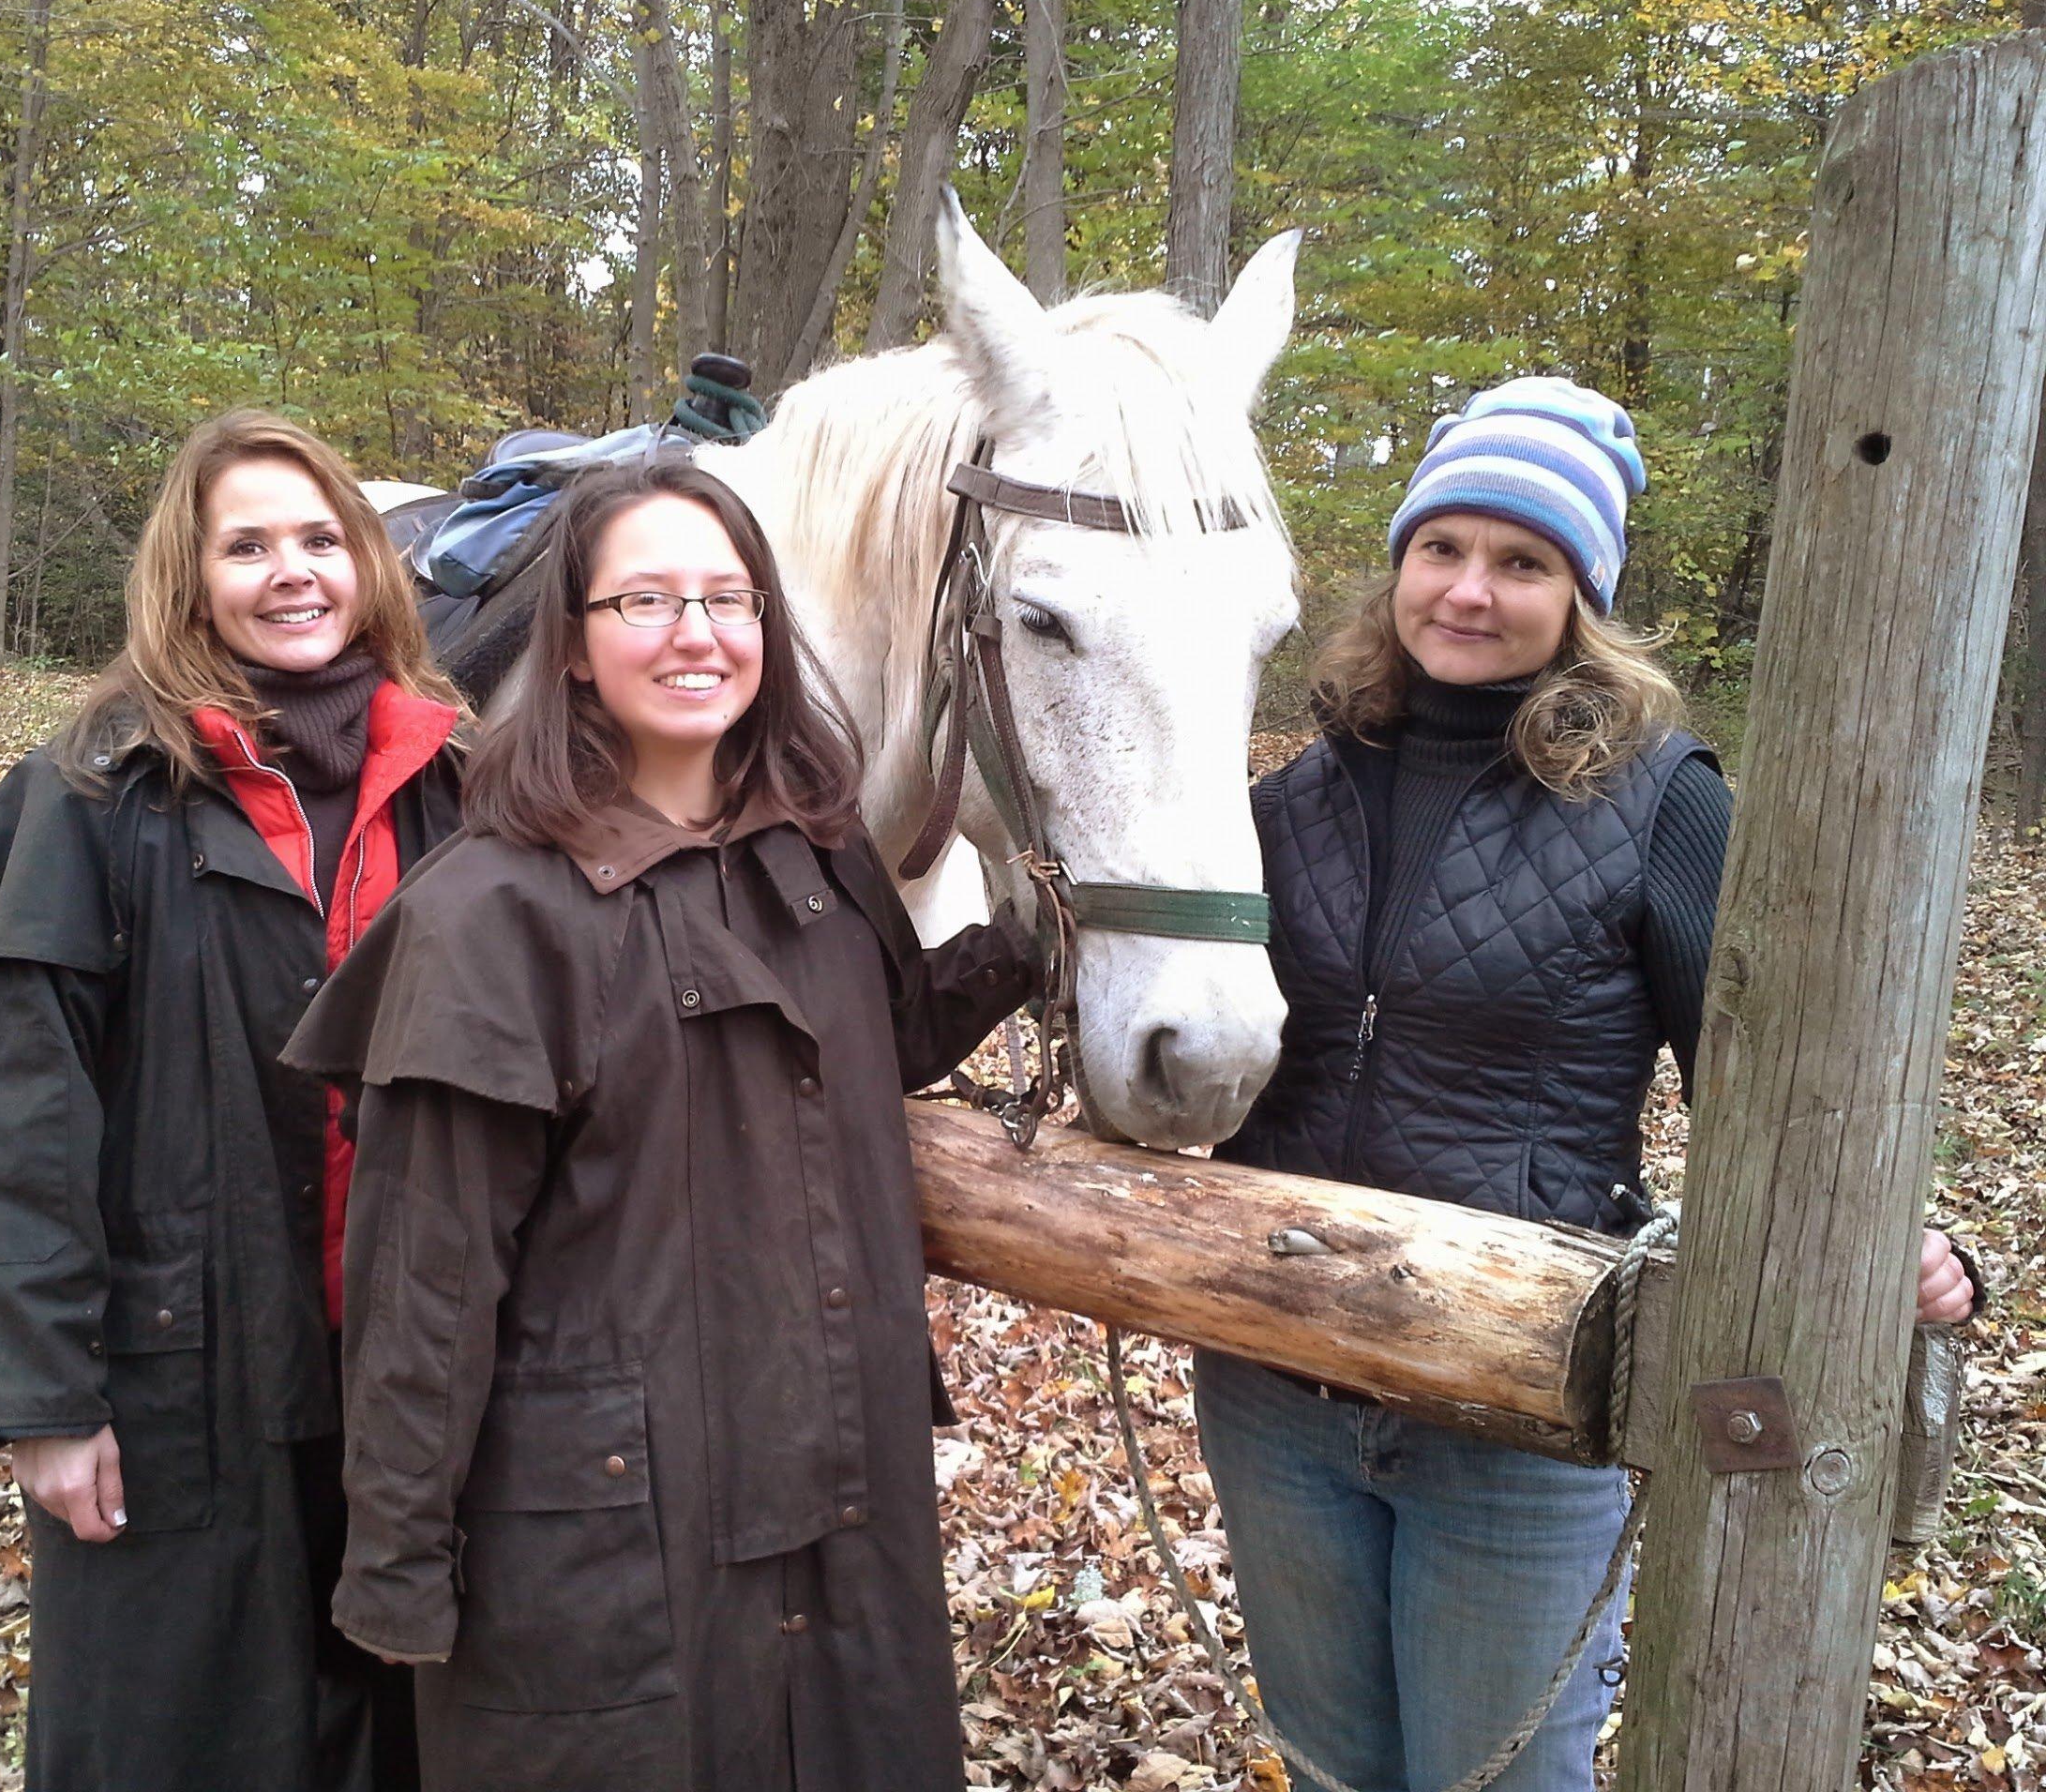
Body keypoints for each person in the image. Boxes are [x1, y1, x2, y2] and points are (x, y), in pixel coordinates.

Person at [1193, 377, 1980, 1792]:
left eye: (1523, 562)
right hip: (1275, 1377)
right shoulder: (1287, 797)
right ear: (1399, 565)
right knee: (1332, 1769)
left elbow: (1772, 1077)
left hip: (1517, 1396)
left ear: (1581, 596)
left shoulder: (1660, 798)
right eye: (1443, 549)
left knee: (1500, 1775)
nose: (1471, 591)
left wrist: (1897, 1239)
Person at [281, 455, 1038, 1791]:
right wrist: (396, 1569)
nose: (696, 631)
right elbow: (427, 1286)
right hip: (613, 1543)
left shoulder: (819, 855)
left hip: (843, 1505)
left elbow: (884, 1032)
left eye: (728, 598)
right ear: (571, 646)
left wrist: (1040, 934)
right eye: (646, 600)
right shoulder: (492, 916)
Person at [0, 410, 466, 1792]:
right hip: (187, 1377)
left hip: (416, 1373)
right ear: (189, 576)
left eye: (320, 538)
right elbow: (21, 1112)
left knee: (401, 1735)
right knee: (184, 1737)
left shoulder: (456, 782)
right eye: (248, 546)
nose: (293, 573)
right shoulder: (96, 790)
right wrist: (41, 1392)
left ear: (368, 562)